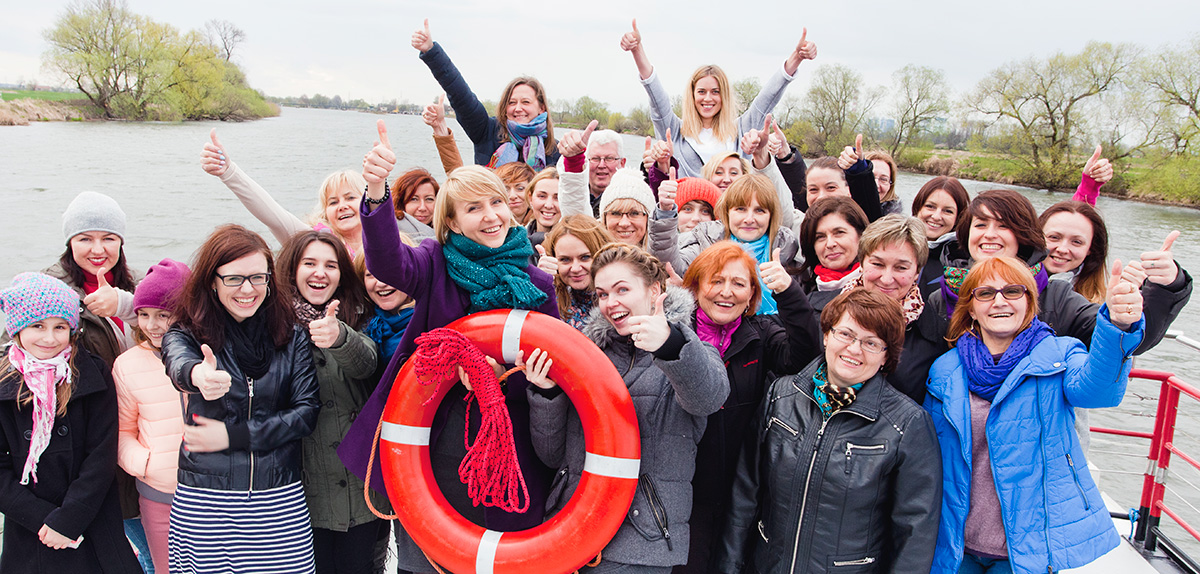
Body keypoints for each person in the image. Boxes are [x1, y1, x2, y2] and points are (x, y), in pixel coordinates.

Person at [340, 122, 560, 573]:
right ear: (452, 222)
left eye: (497, 202)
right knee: (426, 560)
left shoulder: (537, 282)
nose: (491, 215)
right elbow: (387, 262)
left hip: (511, 446)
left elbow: (555, 362)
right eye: (474, 208)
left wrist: (504, 371)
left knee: (503, 558)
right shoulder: (434, 262)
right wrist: (378, 189)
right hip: (435, 438)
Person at [925, 256, 1145, 574]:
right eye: (985, 293)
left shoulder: (1059, 356)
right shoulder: (945, 370)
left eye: (1013, 291)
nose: (999, 301)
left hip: (1025, 546)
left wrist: (1117, 326)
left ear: (1029, 302)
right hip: (957, 542)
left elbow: (1100, 391)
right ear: (971, 308)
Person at [526, 243, 729, 573]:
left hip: (642, 543)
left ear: (654, 290)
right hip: (571, 534)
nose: (611, 303)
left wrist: (670, 345)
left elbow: (707, 397)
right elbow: (552, 455)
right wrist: (546, 393)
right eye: (602, 294)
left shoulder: (694, 349)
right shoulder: (587, 357)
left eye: (622, 289)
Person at [716, 288, 941, 574]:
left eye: (871, 343)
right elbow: (745, 494)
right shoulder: (781, 396)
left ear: (886, 356)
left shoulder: (907, 424)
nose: (854, 349)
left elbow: (915, 534)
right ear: (826, 335)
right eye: (845, 334)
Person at [161, 224, 320, 574]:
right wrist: (199, 377)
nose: (247, 290)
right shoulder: (187, 332)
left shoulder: (291, 335)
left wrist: (234, 436)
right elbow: (178, 364)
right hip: (205, 500)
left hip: (279, 499)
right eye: (234, 279)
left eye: (258, 277)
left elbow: (306, 412)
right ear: (212, 282)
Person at [676, 242, 821, 574]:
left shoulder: (761, 333)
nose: (726, 292)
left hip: (738, 492)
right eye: (716, 281)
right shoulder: (675, 334)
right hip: (685, 490)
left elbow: (804, 357)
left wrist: (789, 294)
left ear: (752, 294)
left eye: (739, 284)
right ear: (696, 286)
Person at [0, 272, 142, 573]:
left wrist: (70, 518)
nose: (49, 338)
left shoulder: (92, 373)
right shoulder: (4, 383)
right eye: (37, 326)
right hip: (32, 527)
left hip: (91, 517)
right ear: (17, 328)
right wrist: (43, 519)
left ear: (72, 329)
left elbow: (101, 455)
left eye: (60, 327)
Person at [40, 190, 149, 567]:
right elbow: (15, 354)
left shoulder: (136, 286)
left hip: (140, 427)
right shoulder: (50, 292)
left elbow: (175, 328)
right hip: (88, 437)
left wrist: (126, 306)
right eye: (85, 238)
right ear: (70, 243)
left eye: (109, 238)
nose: (97, 248)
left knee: (147, 534)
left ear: (121, 242)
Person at [275, 230, 390, 574]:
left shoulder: (362, 313)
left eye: (331, 265)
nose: (320, 273)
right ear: (292, 269)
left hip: (361, 486)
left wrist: (340, 336)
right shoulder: (272, 322)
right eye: (309, 263)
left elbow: (367, 363)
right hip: (304, 493)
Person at [619, 19, 816, 177]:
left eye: (715, 92)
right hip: (689, 218)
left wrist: (796, 58)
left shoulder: (741, 131)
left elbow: (768, 97)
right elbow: (656, 96)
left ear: (724, 96)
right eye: (702, 92)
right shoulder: (674, 131)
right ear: (692, 95)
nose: (708, 98)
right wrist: (637, 50)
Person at [112, 259, 191, 574]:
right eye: (143, 315)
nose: (152, 325)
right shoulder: (127, 365)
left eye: (163, 315)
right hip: (157, 495)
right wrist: (146, 463)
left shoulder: (212, 353)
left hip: (214, 494)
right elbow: (122, 432)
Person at [411, 20, 559, 169]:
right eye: (512, 102)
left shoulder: (557, 152)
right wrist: (431, 51)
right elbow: (461, 94)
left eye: (526, 102)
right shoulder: (487, 131)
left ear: (541, 108)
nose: (518, 108)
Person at [653, 174, 801, 316]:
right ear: (727, 212)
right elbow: (671, 266)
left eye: (759, 210)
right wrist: (665, 213)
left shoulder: (785, 249)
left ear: (771, 216)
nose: (749, 219)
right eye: (741, 209)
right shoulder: (707, 243)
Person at [201, 130, 368, 253]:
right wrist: (229, 172)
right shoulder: (313, 241)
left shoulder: (388, 241)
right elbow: (273, 215)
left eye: (350, 197)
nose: (342, 206)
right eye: (333, 202)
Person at [558, 123, 658, 247]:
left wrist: (658, 173)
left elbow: (663, 230)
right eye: (615, 213)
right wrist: (573, 161)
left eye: (635, 213)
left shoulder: (655, 257)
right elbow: (575, 212)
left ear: (622, 162)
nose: (624, 223)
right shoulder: (595, 245)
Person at [536, 215, 613, 331]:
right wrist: (539, 286)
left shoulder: (624, 296)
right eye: (565, 260)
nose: (575, 268)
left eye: (585, 257)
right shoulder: (550, 299)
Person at [797, 196, 870, 311]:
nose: (830, 244)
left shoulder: (881, 285)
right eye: (820, 237)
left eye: (839, 233)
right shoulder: (802, 292)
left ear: (861, 236)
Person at [1039, 200, 1109, 303]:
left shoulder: (1102, 307)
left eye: (1076, 242)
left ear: (1091, 248)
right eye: (1054, 237)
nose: (1062, 249)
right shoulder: (1011, 282)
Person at [912, 176, 970, 299]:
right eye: (930, 206)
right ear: (918, 208)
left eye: (948, 211)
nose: (936, 216)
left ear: (958, 218)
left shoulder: (962, 261)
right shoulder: (897, 245)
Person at [354, 245, 415, 362]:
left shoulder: (431, 320)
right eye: (370, 274)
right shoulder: (362, 325)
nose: (381, 283)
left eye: (391, 271)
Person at [584, 129, 628, 216]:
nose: (601, 165)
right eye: (595, 158)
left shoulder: (631, 200)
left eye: (609, 158)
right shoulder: (575, 196)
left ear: (622, 163)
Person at [390, 168, 438, 240]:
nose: (422, 208)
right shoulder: (391, 233)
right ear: (402, 202)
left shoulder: (451, 231)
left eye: (429, 199)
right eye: (414, 199)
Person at [524, 167, 561, 246]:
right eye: (542, 196)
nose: (548, 205)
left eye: (557, 198)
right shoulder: (516, 241)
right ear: (530, 198)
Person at [865, 149, 902, 215]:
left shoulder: (895, 222)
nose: (876, 185)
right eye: (870, 177)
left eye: (883, 179)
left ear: (890, 186)